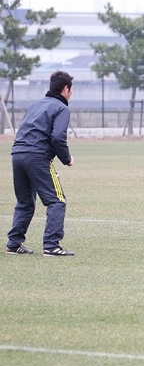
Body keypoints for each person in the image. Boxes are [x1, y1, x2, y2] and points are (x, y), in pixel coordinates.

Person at [6, 71, 76, 256]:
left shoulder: (35, 105)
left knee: (25, 202)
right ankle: (51, 245)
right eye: (71, 89)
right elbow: (58, 137)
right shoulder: (61, 108)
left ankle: (13, 244)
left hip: (17, 153)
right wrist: (67, 159)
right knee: (57, 200)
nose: (71, 93)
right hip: (37, 156)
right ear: (66, 89)